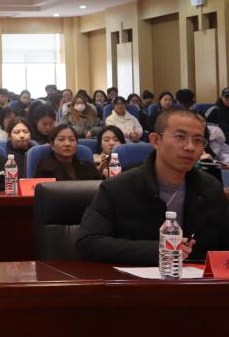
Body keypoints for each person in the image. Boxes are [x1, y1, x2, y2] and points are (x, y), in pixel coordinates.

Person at [78, 109, 229, 265]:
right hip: (135, 278)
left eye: (198, 140)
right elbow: (88, 242)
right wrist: (159, 250)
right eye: (180, 137)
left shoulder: (210, 188)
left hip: (198, 278)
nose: (190, 147)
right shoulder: (118, 187)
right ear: (156, 140)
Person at [32, 123, 102, 181]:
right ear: (52, 145)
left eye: (71, 140)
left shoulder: (88, 167)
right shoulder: (45, 169)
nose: (67, 144)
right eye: (61, 139)